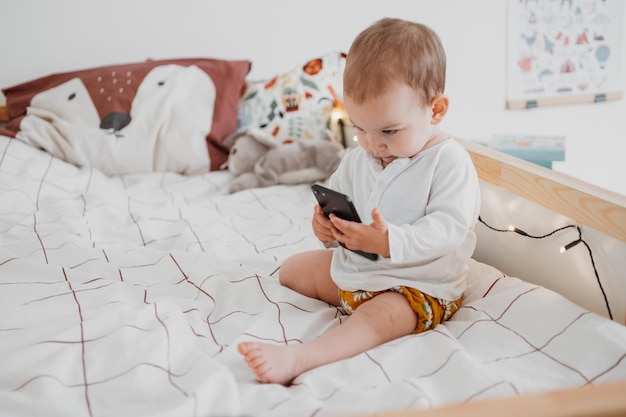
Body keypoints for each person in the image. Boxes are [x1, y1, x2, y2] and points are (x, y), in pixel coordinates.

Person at [238, 17, 481, 385]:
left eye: (388, 131)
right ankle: (355, 298)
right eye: (359, 128)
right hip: (360, 273)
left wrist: (387, 242)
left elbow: (448, 229)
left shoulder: (448, 162)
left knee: (380, 316)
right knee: (291, 270)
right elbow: (341, 207)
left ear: (435, 110)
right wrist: (326, 229)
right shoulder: (360, 157)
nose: (373, 144)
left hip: (418, 286)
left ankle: (300, 358)